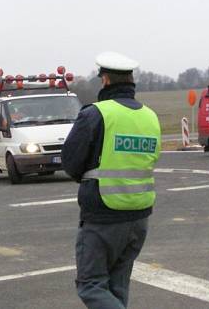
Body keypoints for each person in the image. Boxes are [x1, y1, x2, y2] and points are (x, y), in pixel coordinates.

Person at [62, 52, 161, 309]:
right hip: (139, 215)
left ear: (105, 80)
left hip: (104, 214)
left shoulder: (96, 114)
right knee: (117, 285)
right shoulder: (150, 117)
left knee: (91, 284)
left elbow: (71, 162)